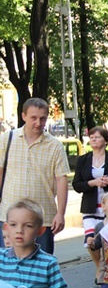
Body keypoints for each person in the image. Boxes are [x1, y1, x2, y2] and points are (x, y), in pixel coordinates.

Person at [0, 98, 69, 254]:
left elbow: (61, 179)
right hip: (10, 218)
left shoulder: (55, 146)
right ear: (24, 116)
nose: (38, 122)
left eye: (43, 118)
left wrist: (61, 213)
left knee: (40, 266)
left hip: (42, 219)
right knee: (10, 267)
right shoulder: (7, 139)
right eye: (33, 118)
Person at [72, 126, 108, 284]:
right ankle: (100, 267)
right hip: (90, 207)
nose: (93, 139)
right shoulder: (83, 160)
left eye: (97, 136)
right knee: (91, 240)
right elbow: (77, 184)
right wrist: (92, 182)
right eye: (91, 136)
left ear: (106, 140)